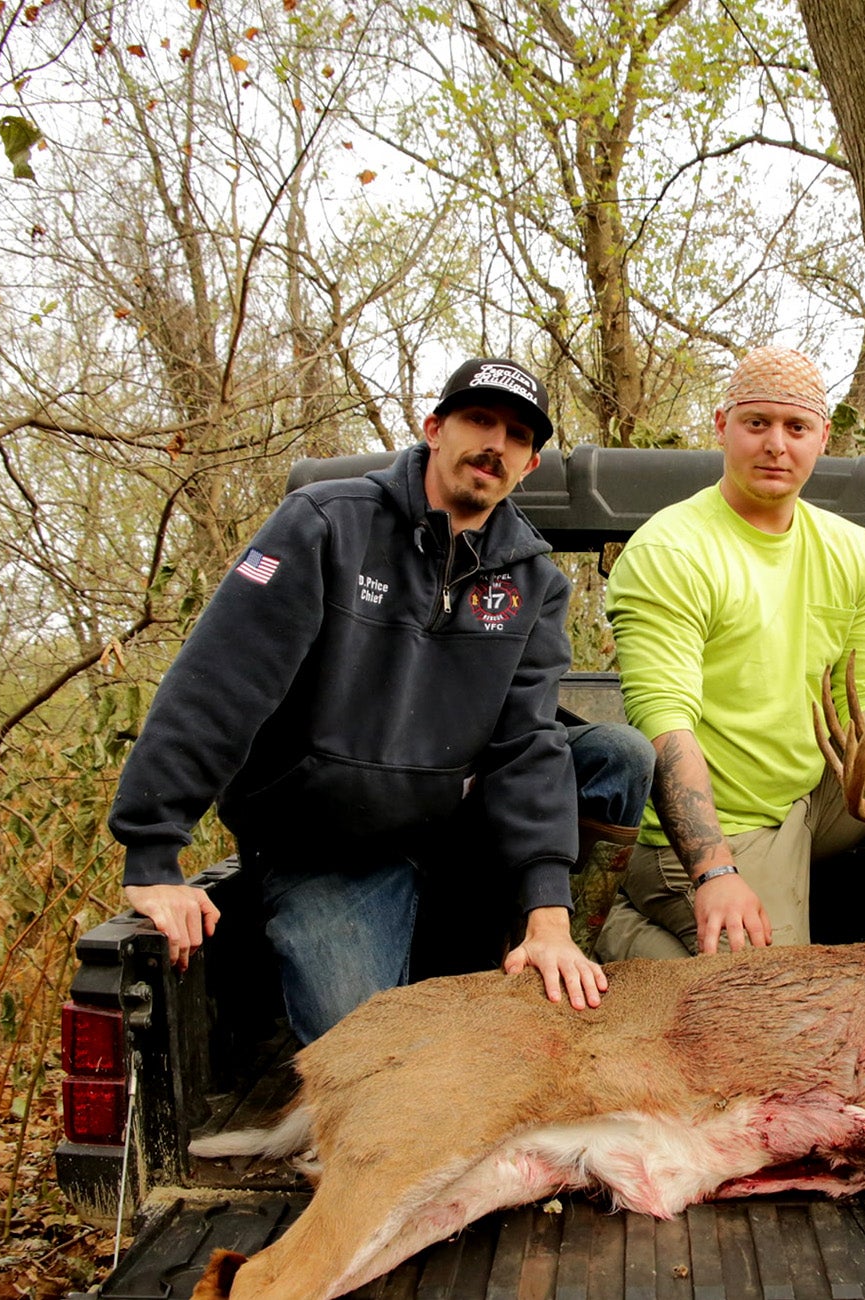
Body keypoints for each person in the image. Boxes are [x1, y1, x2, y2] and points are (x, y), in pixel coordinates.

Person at [108, 357, 654, 1042]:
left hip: (453, 836)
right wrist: (154, 851)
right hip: (330, 849)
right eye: (479, 419)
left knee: (615, 755)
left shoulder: (532, 580)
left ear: (529, 465)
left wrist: (548, 911)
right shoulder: (326, 524)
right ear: (434, 428)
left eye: (517, 435)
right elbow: (222, 682)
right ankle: (421, 978)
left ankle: (546, 960)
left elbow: (527, 741)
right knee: (362, 1052)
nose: (495, 444)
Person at [595, 346, 865, 961]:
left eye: (796, 427)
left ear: (821, 438)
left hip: (813, 795)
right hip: (711, 826)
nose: (777, 444)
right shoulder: (670, 550)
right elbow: (663, 725)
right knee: (779, 996)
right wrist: (715, 871)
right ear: (722, 427)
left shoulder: (852, 550)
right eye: (757, 423)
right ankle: (614, 930)